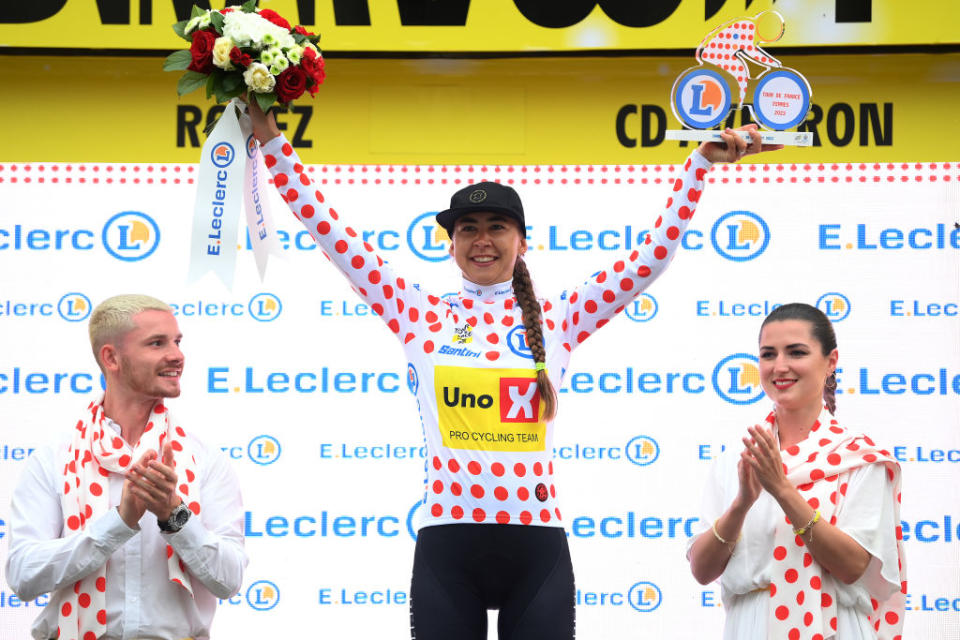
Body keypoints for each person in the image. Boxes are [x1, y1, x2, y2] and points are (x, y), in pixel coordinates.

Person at [248, 99, 779, 639]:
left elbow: (651, 257)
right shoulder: (417, 313)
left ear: (521, 242)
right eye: (468, 229)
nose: (482, 240)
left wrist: (699, 167)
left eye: (497, 227)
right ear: (451, 244)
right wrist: (270, 139)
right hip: (447, 545)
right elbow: (332, 233)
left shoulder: (559, 316)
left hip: (536, 545)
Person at [5, 294, 247, 640]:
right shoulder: (54, 459)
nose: (177, 355)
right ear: (111, 358)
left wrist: (173, 514)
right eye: (157, 343)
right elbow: (23, 576)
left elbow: (229, 580)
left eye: (177, 342)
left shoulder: (204, 458)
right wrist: (118, 523)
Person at [687, 303, 906, 640]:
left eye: (796, 352)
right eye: (768, 354)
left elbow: (852, 566)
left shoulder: (860, 460)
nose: (780, 367)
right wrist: (741, 504)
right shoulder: (736, 460)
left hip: (835, 624)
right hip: (750, 625)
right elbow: (702, 571)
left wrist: (783, 490)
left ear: (831, 361)